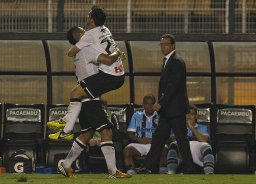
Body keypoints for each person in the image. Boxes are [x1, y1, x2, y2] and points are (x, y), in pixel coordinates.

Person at [57, 26, 131, 178]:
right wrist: (118, 53)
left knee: (87, 134)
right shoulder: (87, 49)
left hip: (85, 96)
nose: (87, 33)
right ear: (79, 35)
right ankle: (113, 171)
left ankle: (66, 164)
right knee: (106, 131)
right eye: (83, 31)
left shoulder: (79, 52)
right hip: (90, 98)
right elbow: (107, 59)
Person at [47, 5, 125, 140]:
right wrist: (117, 52)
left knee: (103, 132)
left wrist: (115, 54)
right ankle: (66, 127)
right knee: (87, 135)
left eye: (88, 16)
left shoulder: (87, 38)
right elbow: (109, 51)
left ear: (93, 20)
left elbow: (70, 52)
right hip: (115, 74)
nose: (86, 19)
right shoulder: (105, 29)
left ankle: (67, 127)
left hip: (107, 77)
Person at [137, 34, 194, 174]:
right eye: (161, 44)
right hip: (169, 111)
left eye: (166, 44)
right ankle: (148, 167)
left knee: (181, 140)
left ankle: (190, 169)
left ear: (173, 46)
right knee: (158, 139)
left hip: (175, 110)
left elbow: (173, 86)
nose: (163, 47)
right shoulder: (169, 61)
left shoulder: (176, 61)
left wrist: (160, 103)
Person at [123, 94, 167, 174]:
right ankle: (131, 172)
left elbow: (166, 134)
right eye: (147, 103)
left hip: (156, 144)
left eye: (152, 104)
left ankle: (162, 172)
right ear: (143, 105)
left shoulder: (161, 116)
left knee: (164, 149)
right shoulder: (136, 115)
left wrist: (154, 140)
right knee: (127, 150)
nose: (149, 106)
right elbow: (129, 134)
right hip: (141, 144)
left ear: (155, 104)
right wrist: (140, 140)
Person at [167, 104, 215, 174]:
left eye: (192, 114)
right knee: (173, 144)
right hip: (183, 147)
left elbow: (204, 140)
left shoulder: (203, 127)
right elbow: (173, 139)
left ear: (196, 116)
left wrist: (192, 127)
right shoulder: (178, 126)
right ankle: (171, 172)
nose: (189, 116)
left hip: (197, 147)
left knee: (207, 146)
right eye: (187, 114)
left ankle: (209, 173)